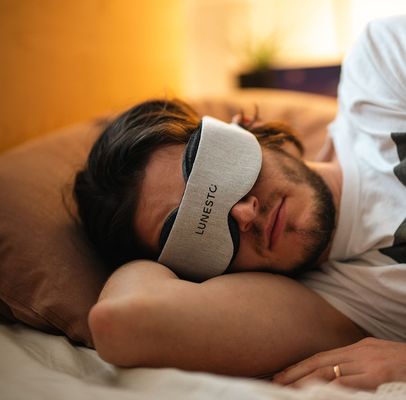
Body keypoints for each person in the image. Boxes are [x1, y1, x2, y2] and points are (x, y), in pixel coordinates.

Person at [73, 16, 406, 391]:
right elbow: (121, 323)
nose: (244, 213)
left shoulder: (381, 78)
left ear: (246, 129)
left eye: (214, 172)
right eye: (195, 230)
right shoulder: (337, 300)